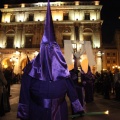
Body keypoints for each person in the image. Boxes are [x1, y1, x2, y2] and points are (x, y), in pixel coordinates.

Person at [17, 0, 84, 120]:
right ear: (42, 49)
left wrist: (77, 107)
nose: (49, 53)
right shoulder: (31, 69)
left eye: (52, 48)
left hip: (59, 111)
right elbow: (24, 93)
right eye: (46, 48)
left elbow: (71, 91)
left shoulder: (63, 69)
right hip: (37, 112)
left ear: (57, 50)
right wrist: (23, 113)